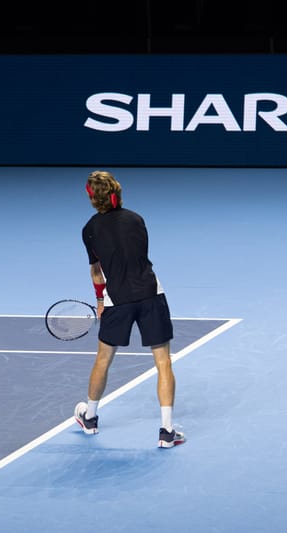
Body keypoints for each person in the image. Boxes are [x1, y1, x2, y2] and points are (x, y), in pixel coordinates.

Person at [73, 170, 185, 449]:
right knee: (163, 363)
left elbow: (97, 272)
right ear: (117, 193)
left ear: (91, 198)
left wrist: (100, 301)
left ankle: (90, 417)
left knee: (103, 360)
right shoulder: (136, 219)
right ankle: (167, 432)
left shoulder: (89, 230)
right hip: (150, 295)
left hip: (117, 302)